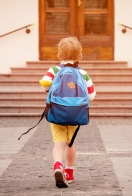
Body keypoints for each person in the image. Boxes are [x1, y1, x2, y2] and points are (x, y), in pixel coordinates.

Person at [39, 37, 96, 188]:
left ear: (59, 56)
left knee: (59, 144)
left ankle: (58, 166)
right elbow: (91, 95)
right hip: (75, 113)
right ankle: (69, 172)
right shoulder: (83, 73)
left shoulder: (54, 70)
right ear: (80, 57)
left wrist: (50, 90)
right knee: (70, 143)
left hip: (56, 112)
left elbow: (44, 82)